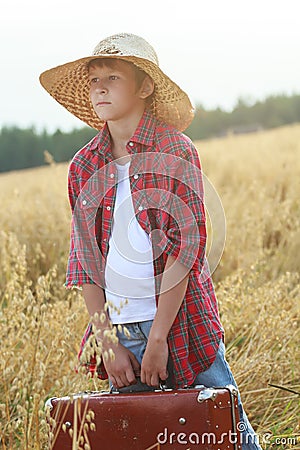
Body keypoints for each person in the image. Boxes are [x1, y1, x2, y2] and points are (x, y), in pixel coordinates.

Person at [40, 32, 262, 449]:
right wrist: (107, 342)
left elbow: (187, 249)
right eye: (93, 79)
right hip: (119, 332)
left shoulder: (174, 150)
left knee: (225, 433)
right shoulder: (83, 166)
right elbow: (85, 260)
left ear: (144, 86)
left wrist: (159, 336)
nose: (100, 87)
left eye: (113, 76)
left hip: (180, 322)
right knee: (137, 438)